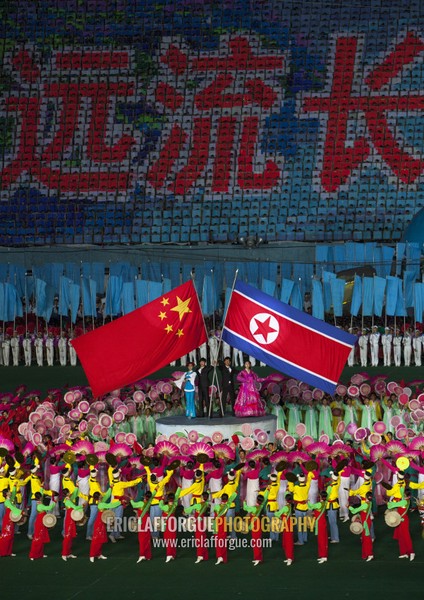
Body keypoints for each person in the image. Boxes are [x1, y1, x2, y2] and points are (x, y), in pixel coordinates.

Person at [89, 490, 121, 562]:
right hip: (98, 523)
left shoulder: (101, 501)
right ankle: (92, 555)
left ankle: (99, 554)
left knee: (101, 538)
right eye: (100, 495)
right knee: (95, 540)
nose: (102, 495)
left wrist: (110, 488)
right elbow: (110, 505)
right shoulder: (101, 504)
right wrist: (120, 502)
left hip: (102, 521)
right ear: (99, 497)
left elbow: (107, 495)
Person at [243, 491, 269, 566]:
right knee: (257, 542)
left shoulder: (254, 508)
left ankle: (258, 558)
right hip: (258, 524)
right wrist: (267, 490)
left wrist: (244, 502)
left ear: (257, 500)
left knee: (256, 542)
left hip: (255, 526)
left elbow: (245, 508)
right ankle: (258, 558)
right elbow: (265, 498)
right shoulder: (260, 506)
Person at [184, 491, 210, 564]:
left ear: (201, 497)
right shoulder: (206, 503)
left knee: (199, 540)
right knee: (203, 539)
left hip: (198, 524)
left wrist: (185, 511)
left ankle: (200, 556)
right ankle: (205, 555)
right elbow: (206, 498)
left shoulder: (198, 505)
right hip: (203, 523)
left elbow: (188, 510)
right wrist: (207, 492)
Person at [29, 493, 56, 560]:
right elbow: (49, 507)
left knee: (41, 539)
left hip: (42, 522)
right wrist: (54, 502)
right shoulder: (40, 505)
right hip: (39, 523)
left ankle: (40, 554)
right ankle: (32, 555)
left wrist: (41, 487)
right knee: (37, 539)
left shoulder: (39, 503)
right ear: (40, 497)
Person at [131, 490, 156, 563]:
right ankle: (148, 555)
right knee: (147, 538)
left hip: (142, 522)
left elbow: (133, 505)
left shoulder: (141, 503)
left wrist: (132, 499)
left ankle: (142, 555)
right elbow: (153, 494)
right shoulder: (149, 502)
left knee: (141, 539)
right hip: (147, 521)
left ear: (145, 496)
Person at [349, 491, 373, 562]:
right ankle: (365, 553)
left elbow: (354, 511)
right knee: (365, 538)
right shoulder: (370, 503)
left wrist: (349, 507)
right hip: (367, 521)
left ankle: (370, 554)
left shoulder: (365, 505)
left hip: (365, 523)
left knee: (366, 539)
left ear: (366, 497)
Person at [212, 492, 236, 565]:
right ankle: (224, 558)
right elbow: (231, 499)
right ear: (227, 499)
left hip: (218, 524)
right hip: (224, 524)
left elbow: (215, 516)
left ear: (221, 499)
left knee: (218, 541)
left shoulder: (216, 507)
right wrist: (234, 493)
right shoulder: (227, 505)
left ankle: (219, 557)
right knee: (223, 541)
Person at [159, 490, 181, 563]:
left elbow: (160, 505)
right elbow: (177, 496)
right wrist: (179, 489)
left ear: (168, 499)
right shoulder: (175, 504)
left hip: (167, 523)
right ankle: (173, 554)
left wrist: (162, 499)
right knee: (173, 538)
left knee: (168, 539)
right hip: (173, 523)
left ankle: (169, 555)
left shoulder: (165, 507)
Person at [62, 488, 83, 561]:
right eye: (69, 492)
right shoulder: (68, 501)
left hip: (71, 519)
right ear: (67, 493)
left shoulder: (69, 499)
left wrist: (77, 487)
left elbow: (74, 493)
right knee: (67, 537)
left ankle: (69, 553)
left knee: (70, 537)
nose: (70, 493)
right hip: (69, 520)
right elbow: (75, 507)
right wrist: (82, 506)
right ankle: (64, 554)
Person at [0, 489, 22, 557]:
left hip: (11, 519)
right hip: (7, 520)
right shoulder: (7, 501)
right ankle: (2, 552)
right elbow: (13, 508)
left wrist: (15, 486)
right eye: (9, 491)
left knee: (11, 535)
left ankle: (9, 552)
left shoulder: (10, 499)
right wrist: (21, 512)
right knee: (6, 536)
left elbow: (14, 493)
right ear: (6, 494)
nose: (10, 492)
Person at [308, 491, 329, 563]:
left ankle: (323, 556)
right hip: (323, 522)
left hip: (320, 523)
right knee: (323, 539)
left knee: (322, 540)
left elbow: (311, 506)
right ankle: (322, 555)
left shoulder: (319, 504)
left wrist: (307, 501)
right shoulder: (325, 503)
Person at [275, 493, 294, 566]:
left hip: (287, 525)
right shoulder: (290, 505)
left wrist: (275, 511)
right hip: (288, 524)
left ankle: (290, 558)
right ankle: (288, 557)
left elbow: (277, 514)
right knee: (287, 540)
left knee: (288, 541)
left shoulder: (285, 507)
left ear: (286, 500)